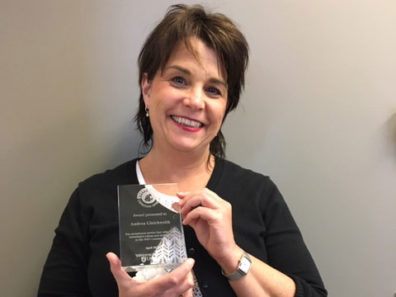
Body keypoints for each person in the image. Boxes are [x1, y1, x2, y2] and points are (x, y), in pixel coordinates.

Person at [38, 4, 327, 297]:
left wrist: (231, 255)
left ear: (226, 106)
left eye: (213, 90)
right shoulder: (92, 199)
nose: (195, 101)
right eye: (179, 80)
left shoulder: (259, 195)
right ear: (147, 87)